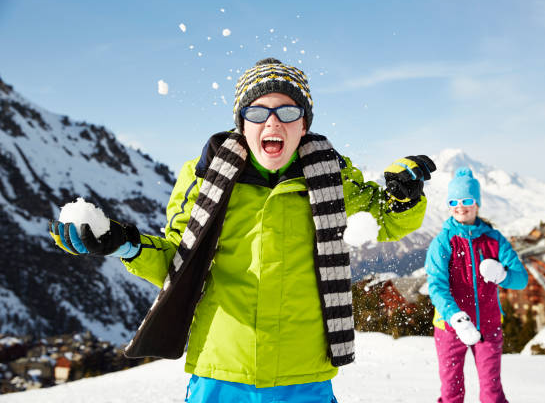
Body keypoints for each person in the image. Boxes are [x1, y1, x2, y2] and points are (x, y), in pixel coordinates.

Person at [49, 57, 435, 402]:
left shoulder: (332, 176)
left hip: (304, 374)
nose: (272, 122)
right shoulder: (203, 178)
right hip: (221, 371)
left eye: (287, 111)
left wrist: (404, 197)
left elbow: (385, 221)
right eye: (258, 112)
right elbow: (177, 261)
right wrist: (125, 245)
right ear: (241, 123)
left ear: (304, 124)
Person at [424, 167, 528, 403]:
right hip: (450, 328)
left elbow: (521, 279)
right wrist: (456, 318)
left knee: (492, 393)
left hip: (488, 326)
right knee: (452, 392)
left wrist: (503, 275)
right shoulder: (442, 242)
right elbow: (436, 287)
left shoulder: (494, 240)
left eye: (467, 200)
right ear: (449, 205)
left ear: (477, 203)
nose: (461, 206)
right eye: (454, 201)